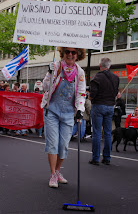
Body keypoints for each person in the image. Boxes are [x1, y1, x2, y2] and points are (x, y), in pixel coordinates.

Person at [41, 47, 86, 188]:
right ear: (63, 53)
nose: (70, 55)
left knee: (64, 145)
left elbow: (81, 92)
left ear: (77, 54)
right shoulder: (56, 67)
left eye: (73, 52)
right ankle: (53, 174)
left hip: (67, 113)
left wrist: (80, 109)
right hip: (52, 110)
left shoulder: (80, 72)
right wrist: (49, 73)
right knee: (53, 143)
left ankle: (58, 171)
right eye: (68, 52)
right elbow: (45, 87)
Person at [89, 58, 119, 166]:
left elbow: (93, 93)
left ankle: (95, 158)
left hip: (98, 105)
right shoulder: (115, 77)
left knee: (97, 132)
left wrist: (90, 97)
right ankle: (107, 158)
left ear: (100, 65)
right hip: (110, 106)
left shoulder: (96, 77)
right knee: (107, 133)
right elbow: (116, 92)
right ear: (109, 66)